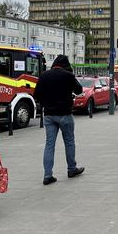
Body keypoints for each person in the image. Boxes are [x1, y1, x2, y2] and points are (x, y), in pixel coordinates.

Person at [33, 54, 84, 185]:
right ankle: (71, 169)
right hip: (64, 114)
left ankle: (47, 175)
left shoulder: (44, 75)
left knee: (49, 145)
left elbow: (36, 95)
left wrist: (46, 102)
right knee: (69, 142)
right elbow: (79, 90)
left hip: (49, 115)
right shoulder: (68, 76)